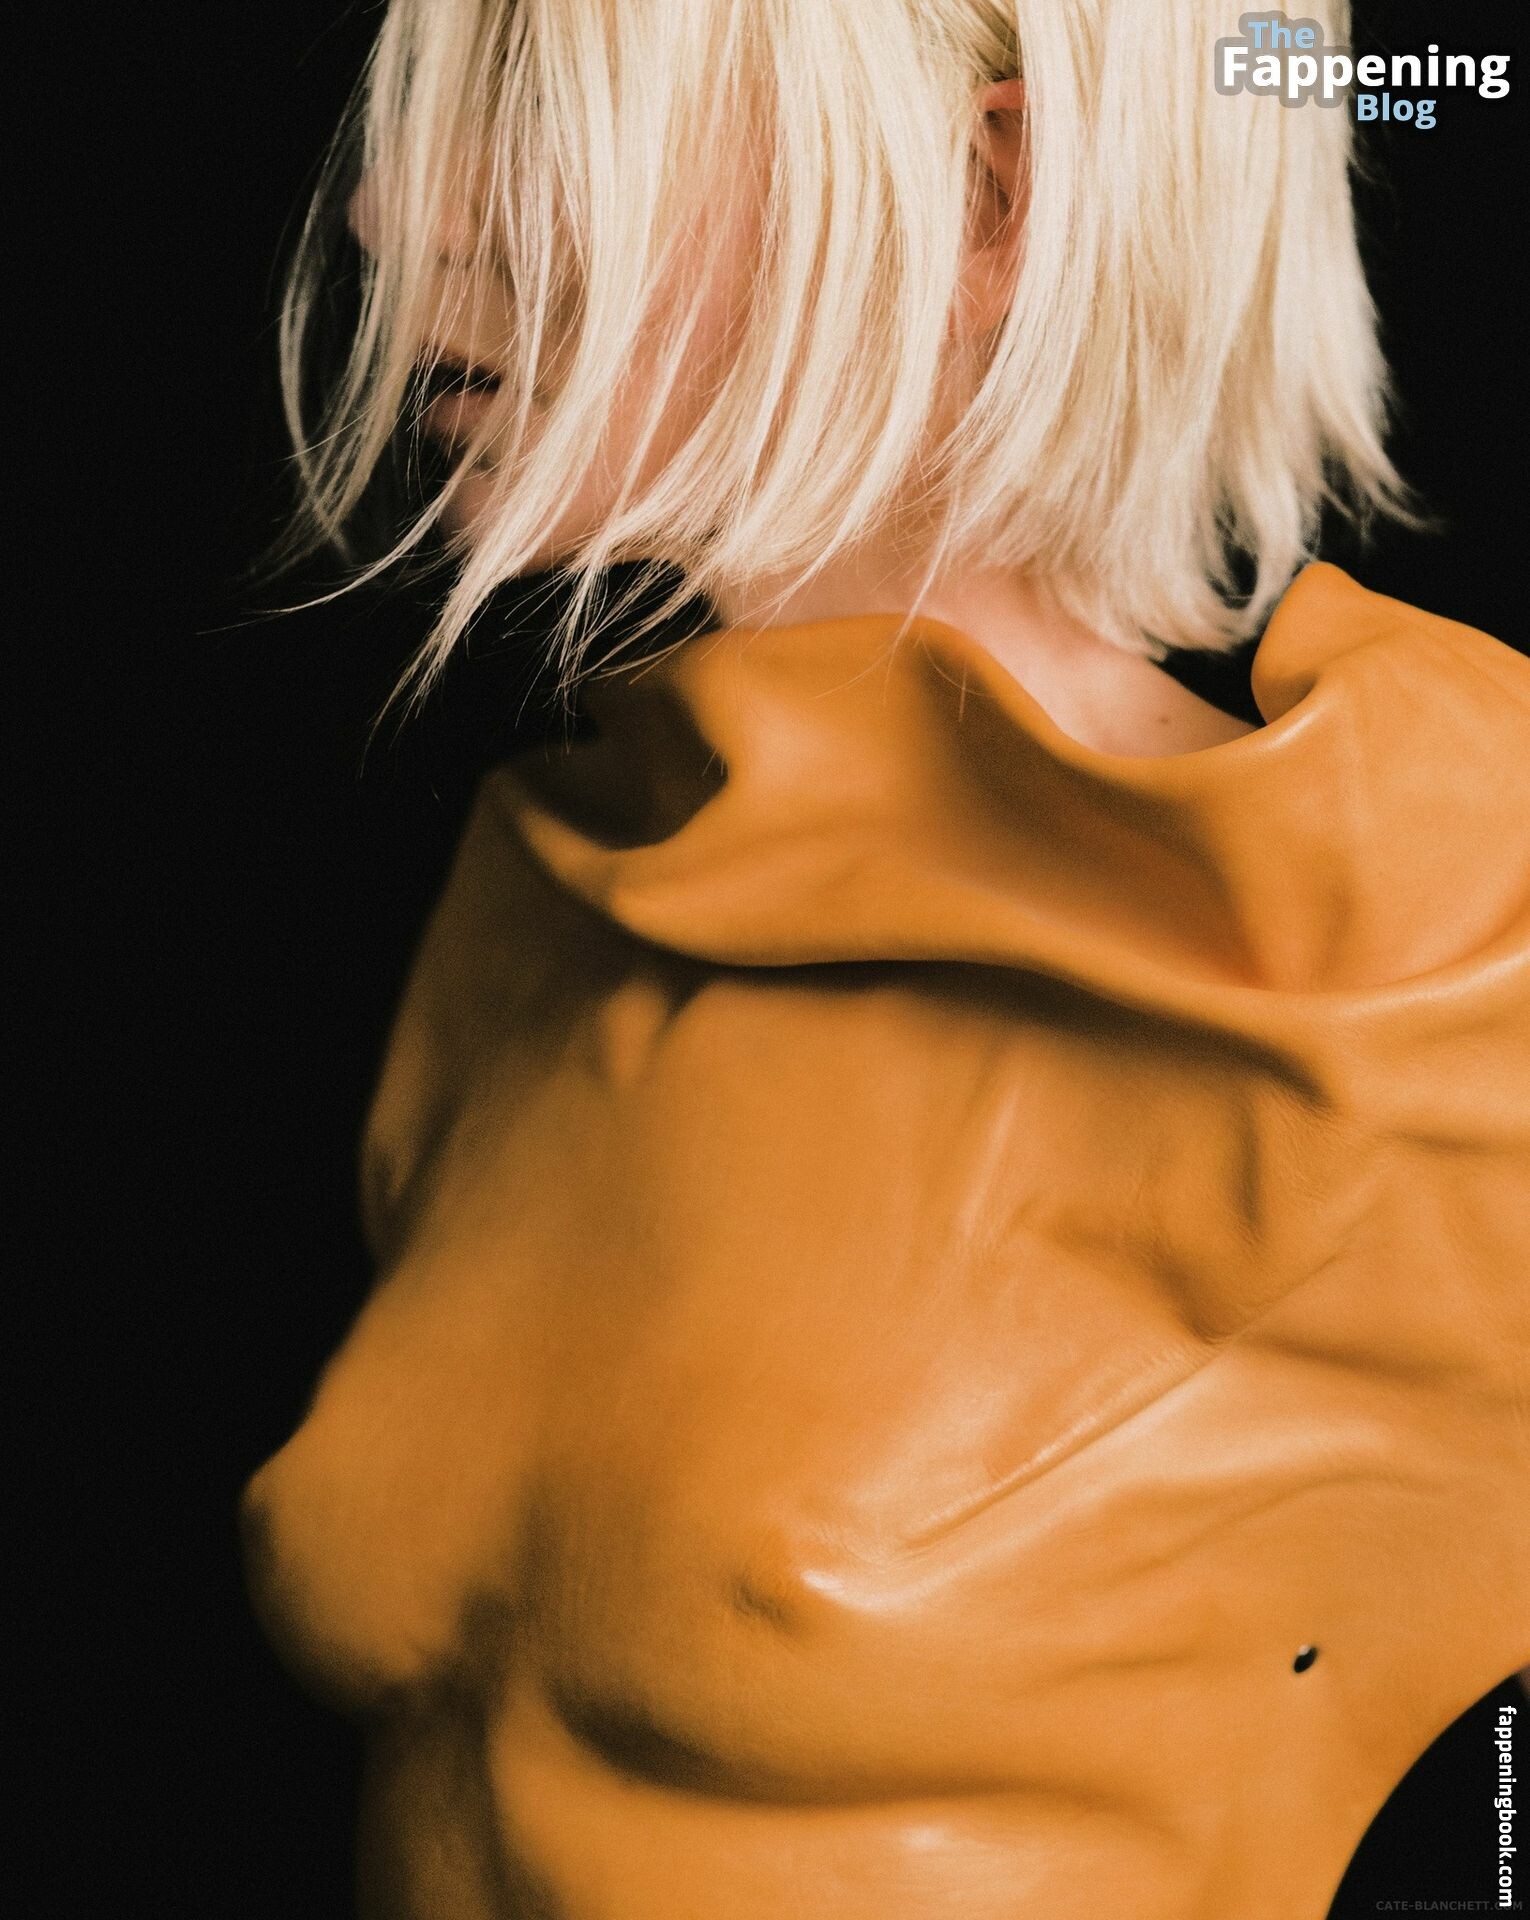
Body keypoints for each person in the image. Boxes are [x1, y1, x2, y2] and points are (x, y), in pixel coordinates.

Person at [241, 3, 1530, 1915]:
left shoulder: (1451, 945)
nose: (384, 212)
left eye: (538, 100)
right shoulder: (550, 892)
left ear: (988, 198)